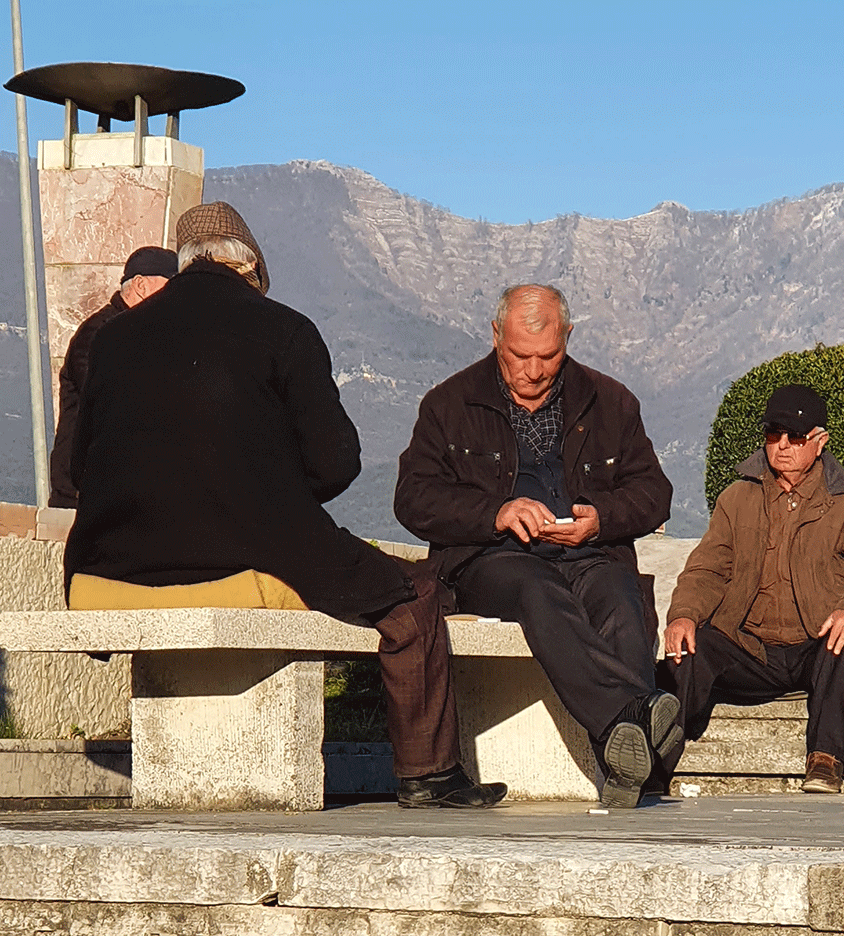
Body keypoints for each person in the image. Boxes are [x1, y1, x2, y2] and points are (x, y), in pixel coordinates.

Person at [63, 201, 505, 809]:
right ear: (250, 269)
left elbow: (76, 467)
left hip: (113, 562)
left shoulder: (112, 338)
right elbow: (337, 464)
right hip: (249, 550)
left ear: (186, 262)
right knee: (417, 597)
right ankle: (429, 773)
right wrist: (272, 490)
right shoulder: (283, 329)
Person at [394, 284, 678, 808]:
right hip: (490, 561)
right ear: (496, 335)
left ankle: (624, 765)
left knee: (620, 594)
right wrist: (495, 513)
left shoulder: (612, 402)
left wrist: (601, 521)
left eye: (548, 356)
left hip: (589, 555)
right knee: (536, 587)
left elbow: (655, 494)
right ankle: (635, 715)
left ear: (567, 338)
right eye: (519, 356)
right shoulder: (448, 403)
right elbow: (412, 500)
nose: (533, 371)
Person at [662, 384, 844, 793]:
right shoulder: (737, 498)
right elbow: (707, 569)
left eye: (795, 437)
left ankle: (825, 761)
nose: (783, 446)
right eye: (774, 435)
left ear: (820, 441)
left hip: (816, 643)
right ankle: (654, 757)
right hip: (749, 645)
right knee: (688, 650)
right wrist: (684, 614)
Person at [49, 246, 177, 507]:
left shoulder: (140, 336)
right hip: (82, 493)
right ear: (140, 284)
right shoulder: (99, 334)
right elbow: (106, 399)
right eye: (170, 287)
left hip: (115, 489)